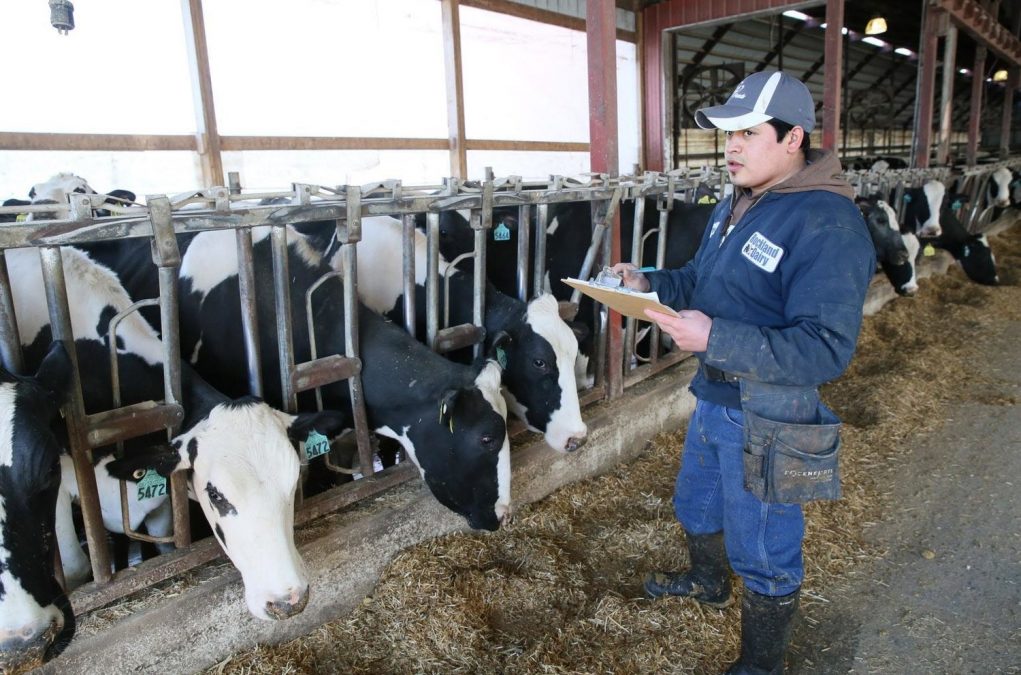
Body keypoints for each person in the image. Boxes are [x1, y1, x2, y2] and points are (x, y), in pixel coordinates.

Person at [613, 70, 875, 674]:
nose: (730, 146)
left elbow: (827, 349)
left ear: (793, 139)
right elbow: (703, 282)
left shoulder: (826, 224)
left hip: (769, 413)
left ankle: (762, 663)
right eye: (728, 133)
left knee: (762, 543)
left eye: (747, 132)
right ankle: (708, 582)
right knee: (697, 504)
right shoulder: (740, 202)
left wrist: (715, 337)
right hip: (714, 394)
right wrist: (650, 282)